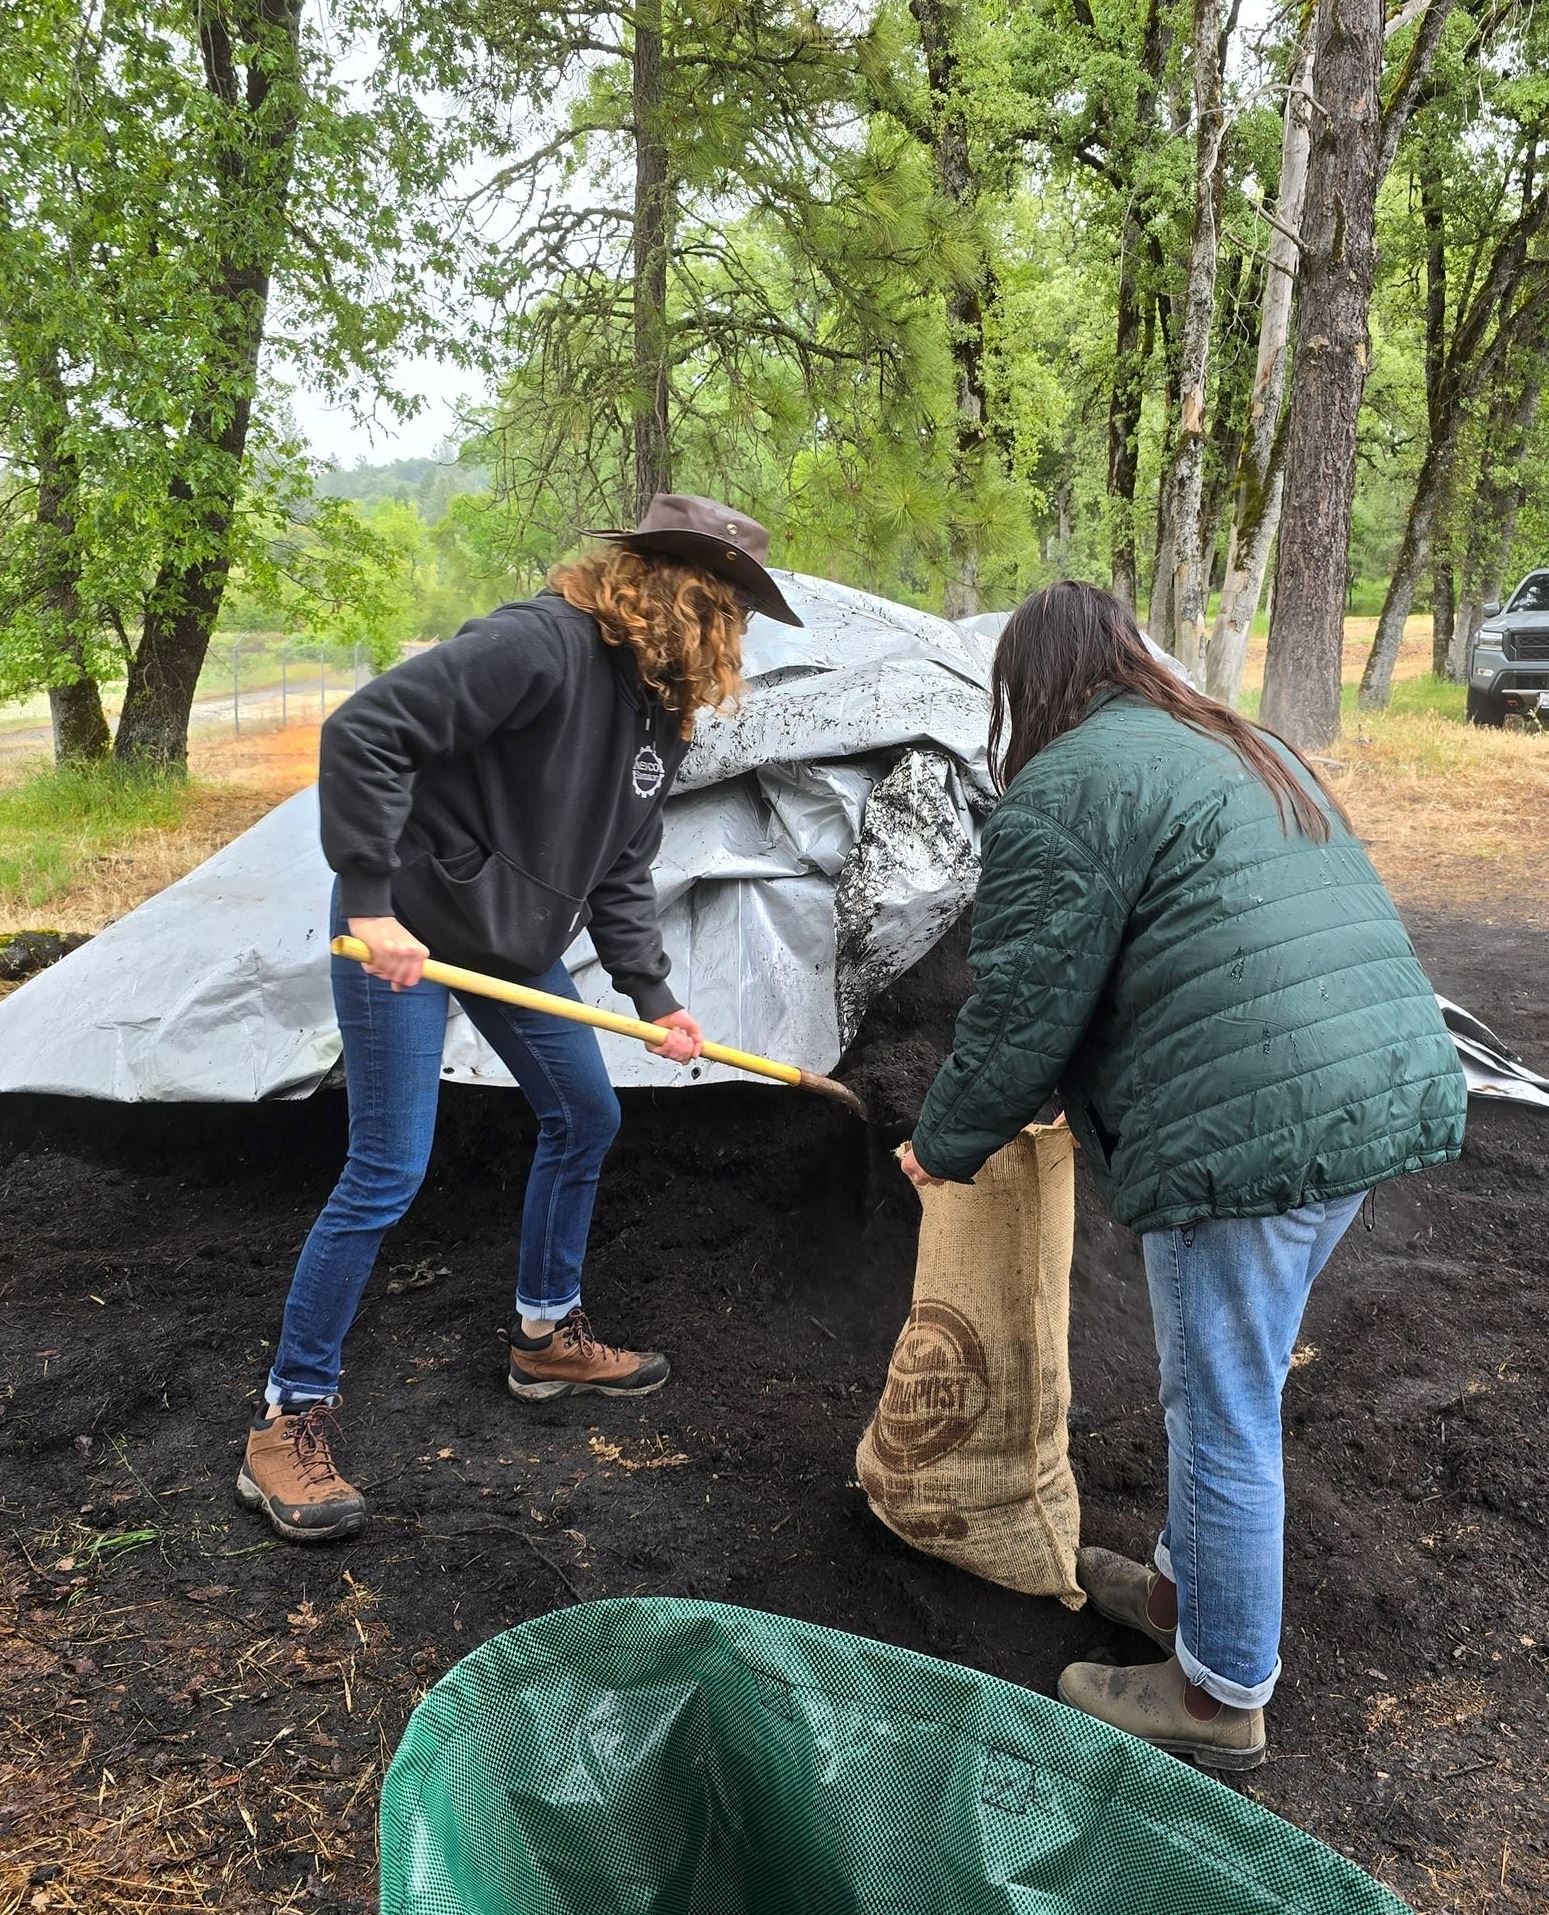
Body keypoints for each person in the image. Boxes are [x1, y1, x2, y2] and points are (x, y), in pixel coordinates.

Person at [899, 582, 1466, 1771]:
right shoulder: (1234, 739)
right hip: (1369, 1087)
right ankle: (1180, 1594)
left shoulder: (1062, 787)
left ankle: (1216, 1694)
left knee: (1220, 1406)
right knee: (1234, 1378)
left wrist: (941, 1142)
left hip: (1246, 1130)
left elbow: (1016, 1012)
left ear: (1030, 686)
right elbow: (1183, 937)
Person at [238, 494, 803, 1545]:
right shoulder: (535, 646)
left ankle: (544, 1333)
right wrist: (369, 898)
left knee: (585, 1114)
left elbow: (621, 867)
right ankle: (288, 1416)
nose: (729, 633)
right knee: (388, 1166)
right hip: (404, 922)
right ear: (671, 590)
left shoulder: (658, 713)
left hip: (510, 935)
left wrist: (657, 998)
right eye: (723, 605)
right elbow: (366, 730)